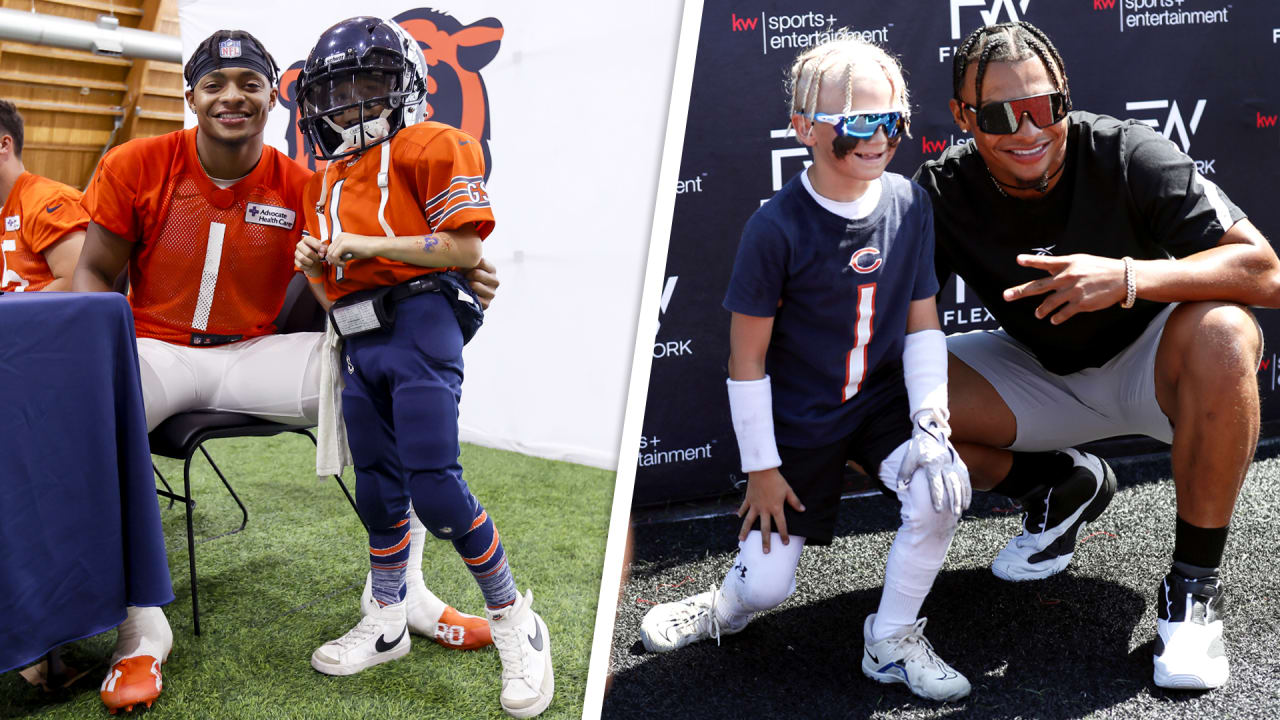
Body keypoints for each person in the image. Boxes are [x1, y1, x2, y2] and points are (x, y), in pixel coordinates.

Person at [72, 29, 493, 714]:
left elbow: (385, 259)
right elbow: (93, 270)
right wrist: (97, 355)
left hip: (253, 354)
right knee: (92, 426)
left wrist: (465, 267)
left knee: (375, 383)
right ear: (192, 95)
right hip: (158, 349)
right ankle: (138, 629)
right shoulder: (137, 162)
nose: (231, 97)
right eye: (214, 84)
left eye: (249, 84)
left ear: (274, 96)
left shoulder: (306, 183)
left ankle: (402, 596)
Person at [913, 21, 1280, 691]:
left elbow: (1265, 272)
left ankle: (1194, 593)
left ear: (1065, 97)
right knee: (872, 395)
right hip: (1036, 373)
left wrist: (1129, 278)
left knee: (1226, 332)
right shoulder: (941, 188)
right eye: (999, 114)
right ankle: (1054, 484)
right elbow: (899, 323)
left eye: (1044, 106)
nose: (1027, 130)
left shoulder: (1128, 153)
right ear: (962, 117)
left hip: (1154, 367)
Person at [638, 37, 973, 702]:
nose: (878, 139)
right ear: (804, 129)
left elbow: (923, 321)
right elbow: (746, 358)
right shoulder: (776, 227)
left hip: (877, 404)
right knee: (767, 586)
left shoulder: (911, 202)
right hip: (799, 422)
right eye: (858, 123)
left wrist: (932, 423)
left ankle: (892, 639)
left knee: (942, 486)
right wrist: (762, 469)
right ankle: (722, 608)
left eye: (892, 122)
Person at [291, 17, 553, 718]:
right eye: (336, 92)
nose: (348, 104)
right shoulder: (329, 177)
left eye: (366, 85)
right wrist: (319, 265)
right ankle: (385, 621)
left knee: (436, 488)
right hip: (358, 334)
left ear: (403, 85)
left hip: (417, 321)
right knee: (377, 489)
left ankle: (513, 620)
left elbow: (465, 251)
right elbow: (334, 290)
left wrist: (365, 244)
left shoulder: (435, 142)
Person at [0, 100, 87, 292]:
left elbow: (77, 282)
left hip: (36, 321)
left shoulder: (51, 200)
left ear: (4, 144)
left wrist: (16, 319)